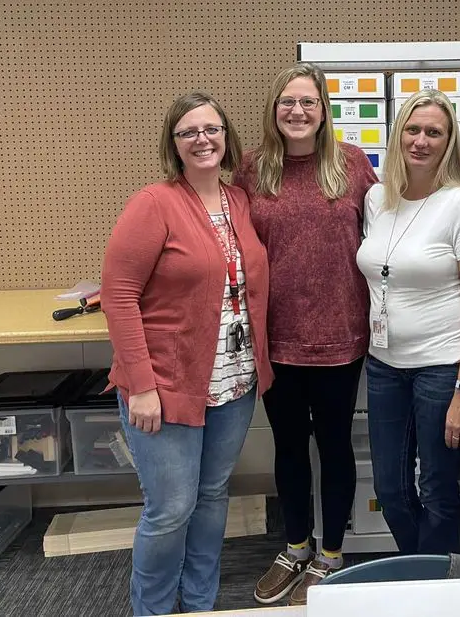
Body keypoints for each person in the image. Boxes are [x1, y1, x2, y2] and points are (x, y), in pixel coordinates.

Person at [101, 91, 273, 616]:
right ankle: (151, 610)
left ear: (227, 138)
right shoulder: (154, 203)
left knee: (213, 495)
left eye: (212, 129)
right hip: (167, 385)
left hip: (234, 381)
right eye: (189, 132)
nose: (203, 139)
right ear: (173, 145)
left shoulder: (239, 201)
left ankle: (200, 603)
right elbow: (118, 294)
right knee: (171, 509)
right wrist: (143, 386)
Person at [235, 64, 378, 605]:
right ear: (274, 110)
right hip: (276, 340)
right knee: (289, 447)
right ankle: (295, 546)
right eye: (287, 102)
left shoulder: (352, 165)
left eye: (308, 102)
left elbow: (389, 227)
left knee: (335, 446)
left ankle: (331, 556)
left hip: (341, 337)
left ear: (324, 111)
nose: (297, 111)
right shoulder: (253, 171)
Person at [355, 89, 460, 555]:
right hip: (383, 365)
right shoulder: (376, 199)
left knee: (436, 488)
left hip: (443, 367)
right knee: (391, 490)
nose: (421, 141)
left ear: (450, 141)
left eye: (434, 132)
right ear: (397, 136)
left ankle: (438, 589)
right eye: (412, 130)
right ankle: (420, 571)